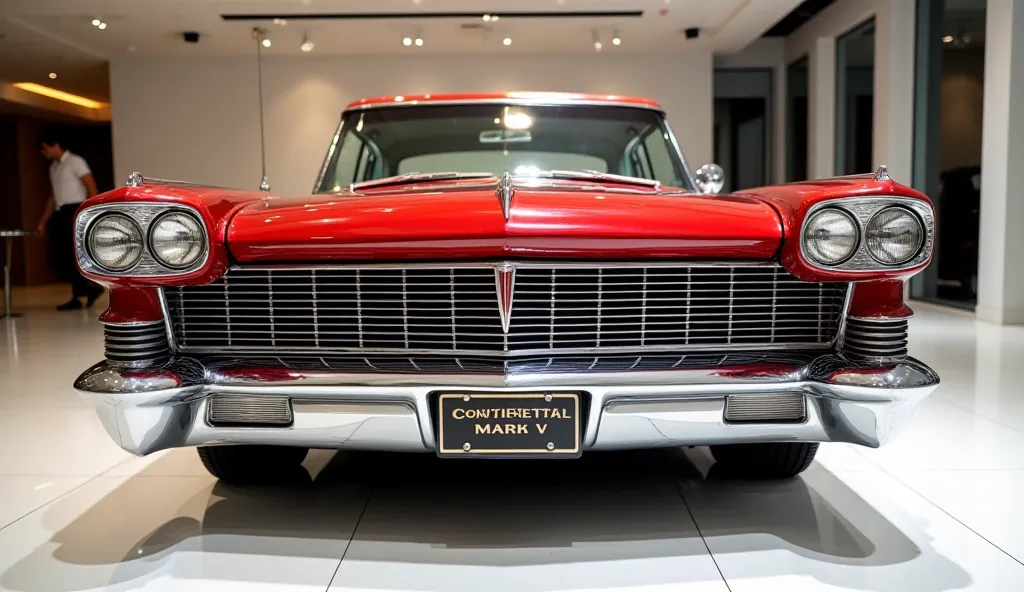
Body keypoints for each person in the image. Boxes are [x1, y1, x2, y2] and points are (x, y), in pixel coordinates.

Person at [36, 131, 103, 310]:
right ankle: (86, 290)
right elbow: (53, 196)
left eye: (44, 148)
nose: (44, 153)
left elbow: (91, 186)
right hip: (61, 212)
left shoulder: (75, 162)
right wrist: (43, 220)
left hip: (76, 209)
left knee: (75, 254)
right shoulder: (53, 168)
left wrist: (91, 213)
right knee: (61, 255)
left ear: (55, 145)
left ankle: (83, 292)